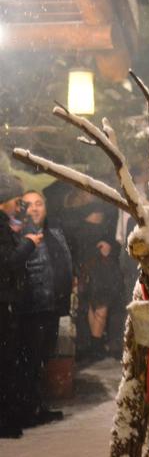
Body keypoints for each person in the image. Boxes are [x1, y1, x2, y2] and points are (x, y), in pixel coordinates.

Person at [15, 191, 72, 427]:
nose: (35, 209)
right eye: (29, 205)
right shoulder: (19, 234)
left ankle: (38, 405)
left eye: (39, 203)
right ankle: (28, 409)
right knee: (31, 359)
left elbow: (63, 261)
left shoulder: (54, 230)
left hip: (52, 306)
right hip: (31, 307)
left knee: (44, 357)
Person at [63, 189, 123, 360]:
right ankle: (94, 345)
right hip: (95, 262)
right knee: (98, 303)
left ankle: (92, 345)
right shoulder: (96, 209)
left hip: (88, 261)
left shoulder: (73, 215)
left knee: (93, 303)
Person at [0, 174, 37, 438]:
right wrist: (28, 244)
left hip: (8, 301)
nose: (19, 206)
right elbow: (8, 262)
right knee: (6, 362)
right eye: (15, 201)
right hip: (4, 302)